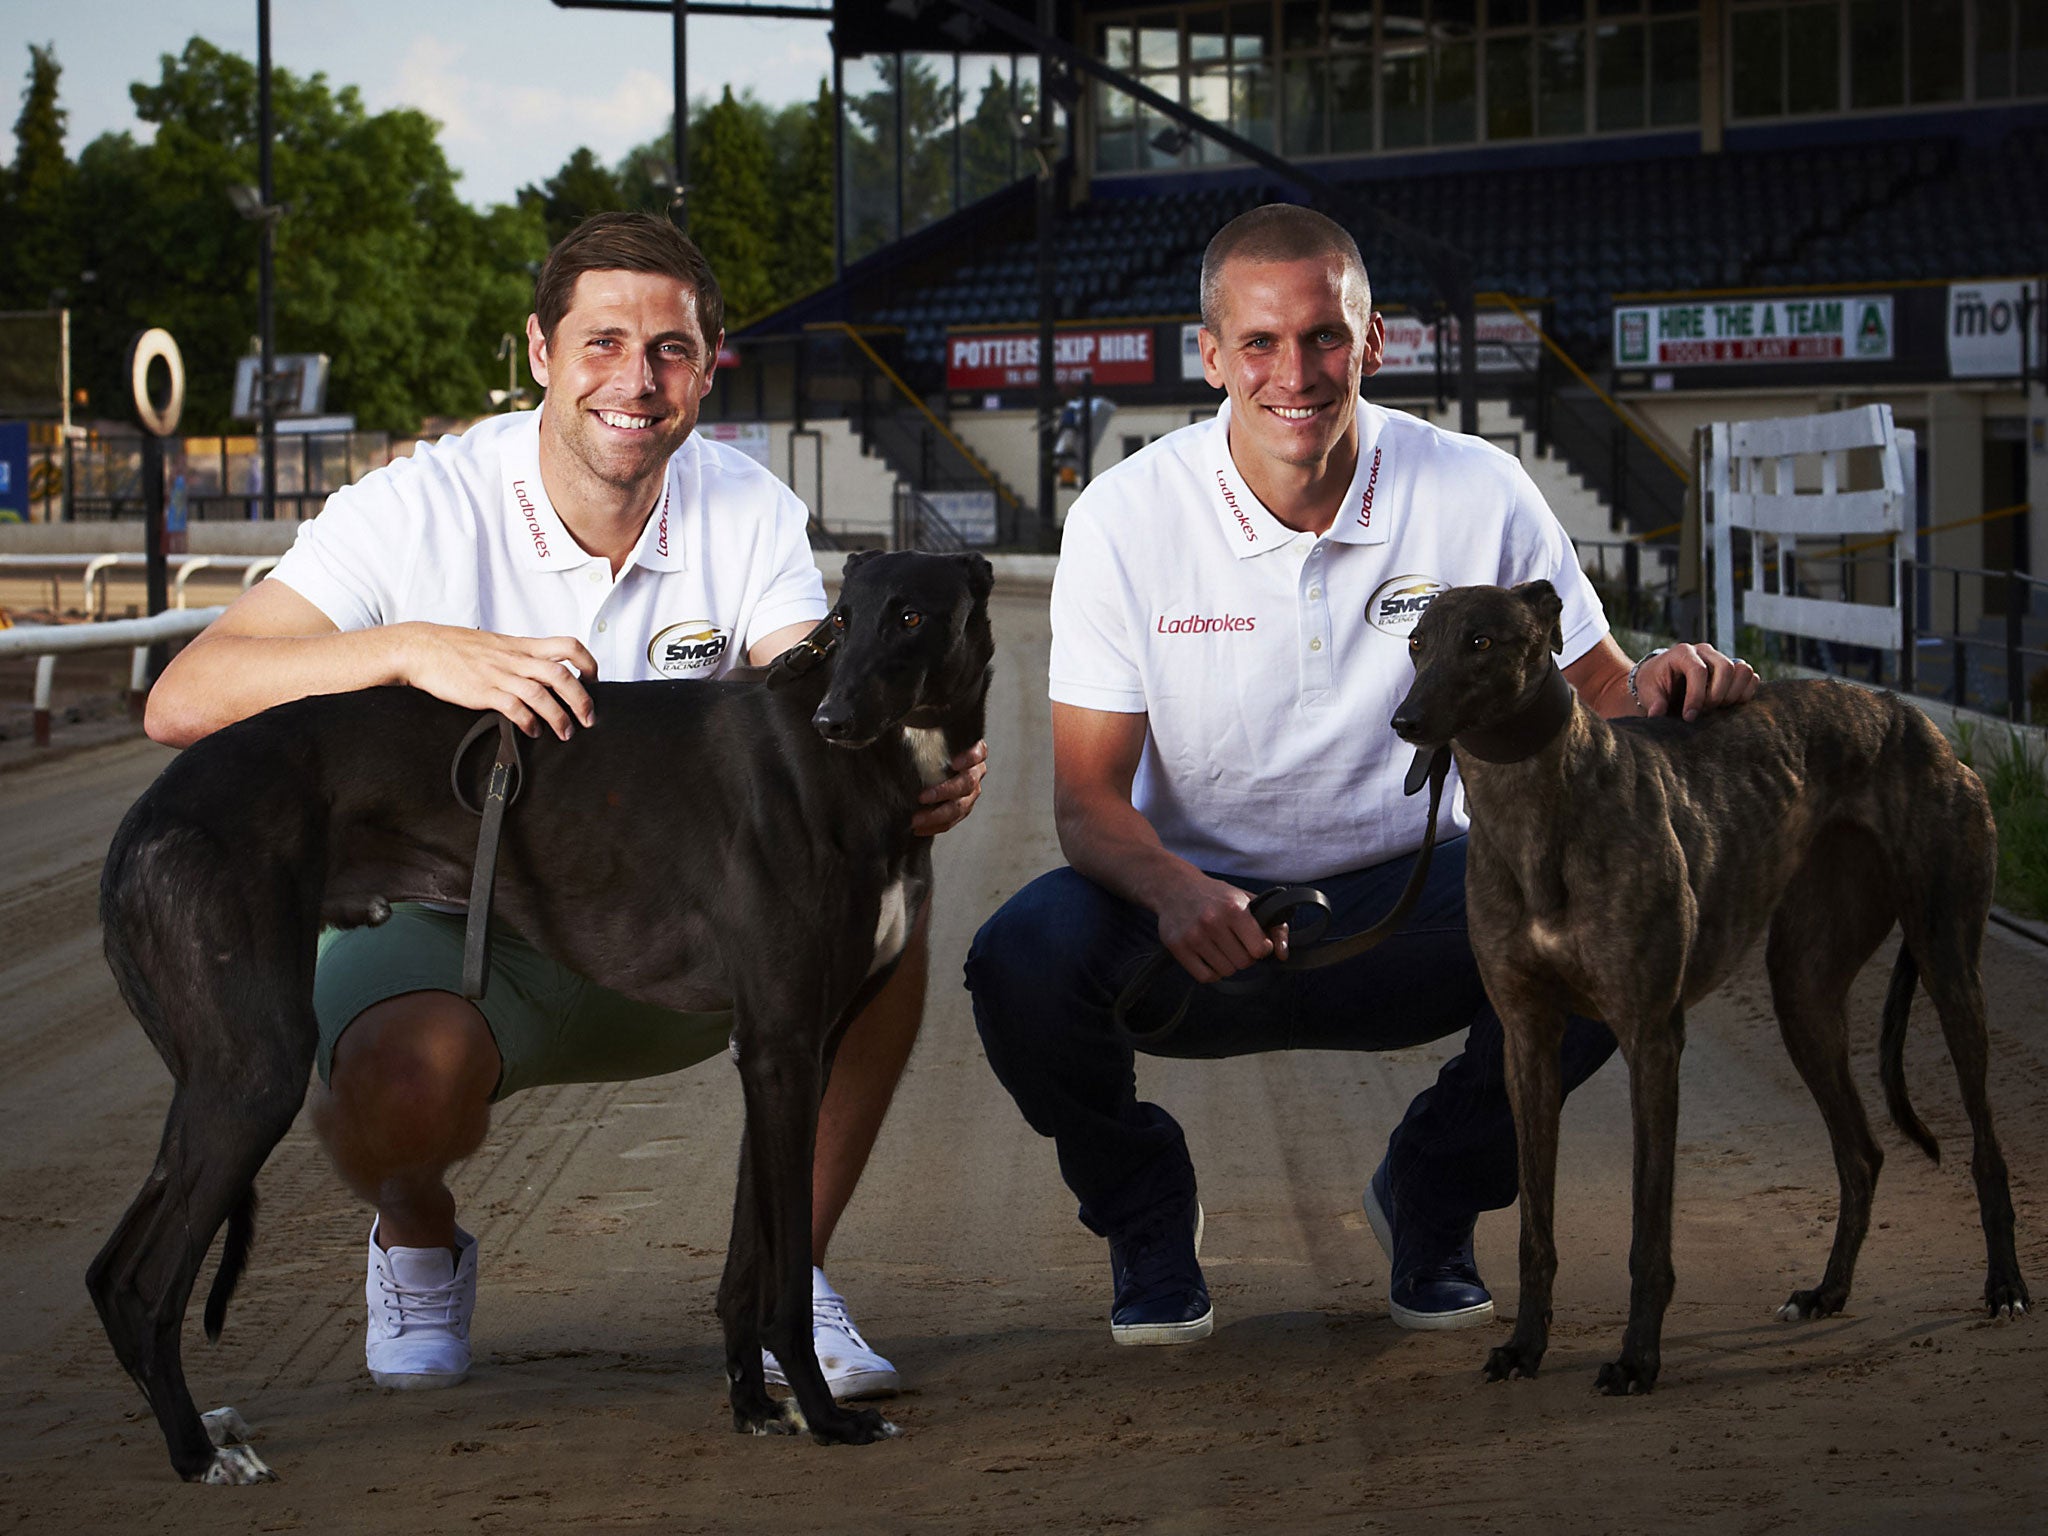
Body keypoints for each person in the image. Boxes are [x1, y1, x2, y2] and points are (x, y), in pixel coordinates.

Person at [146, 212, 985, 1400]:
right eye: (601, 343)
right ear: (538, 350)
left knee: (883, 922)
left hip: (676, 918)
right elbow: (186, 699)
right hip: (455, 917)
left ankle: (783, 1283)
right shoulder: (417, 505)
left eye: (671, 351)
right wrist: (416, 651)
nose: (635, 382)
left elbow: (807, 681)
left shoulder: (742, 505)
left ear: (708, 362)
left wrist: (913, 757)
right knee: (396, 1086)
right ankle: (415, 1236)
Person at [963, 204, 1754, 1344]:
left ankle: (1432, 1194)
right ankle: (1143, 1211)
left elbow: (1605, 699)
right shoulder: (1125, 517)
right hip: (1198, 925)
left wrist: (1677, 679)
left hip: (1425, 905)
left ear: (1371, 342)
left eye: (1325, 338)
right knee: (1019, 964)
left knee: (1615, 929)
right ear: (1211, 355)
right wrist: (1179, 890)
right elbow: (1086, 802)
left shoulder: (1475, 488)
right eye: (1261, 344)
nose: (1297, 372)